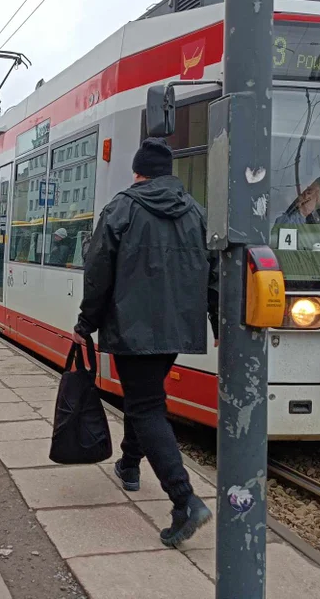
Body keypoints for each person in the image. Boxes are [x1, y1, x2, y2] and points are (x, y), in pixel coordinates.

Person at [74, 138, 218, 548]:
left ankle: (184, 498)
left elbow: (97, 270)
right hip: (176, 329)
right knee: (146, 397)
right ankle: (130, 465)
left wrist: (86, 322)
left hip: (131, 326)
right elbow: (214, 274)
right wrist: (215, 321)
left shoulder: (122, 208)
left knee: (146, 405)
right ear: (169, 173)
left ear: (137, 172)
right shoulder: (197, 214)